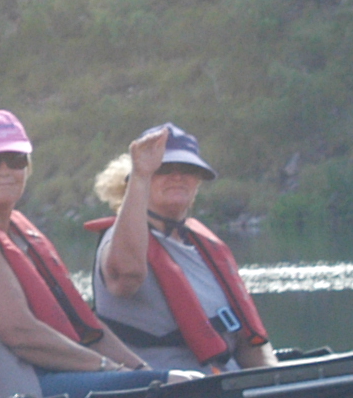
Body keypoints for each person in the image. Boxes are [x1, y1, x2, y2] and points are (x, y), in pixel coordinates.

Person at [0, 110, 156, 398]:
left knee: (174, 384)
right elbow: (20, 334)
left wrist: (142, 371)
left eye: (15, 160)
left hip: (30, 380)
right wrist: (111, 370)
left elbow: (85, 326)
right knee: (162, 388)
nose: (4, 171)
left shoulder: (18, 231)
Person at [86, 124, 275, 373]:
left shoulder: (203, 246)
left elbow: (250, 342)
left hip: (227, 380)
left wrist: (275, 377)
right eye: (163, 169)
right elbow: (125, 277)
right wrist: (140, 176)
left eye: (188, 169)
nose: (177, 177)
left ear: (198, 181)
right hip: (169, 388)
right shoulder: (120, 240)